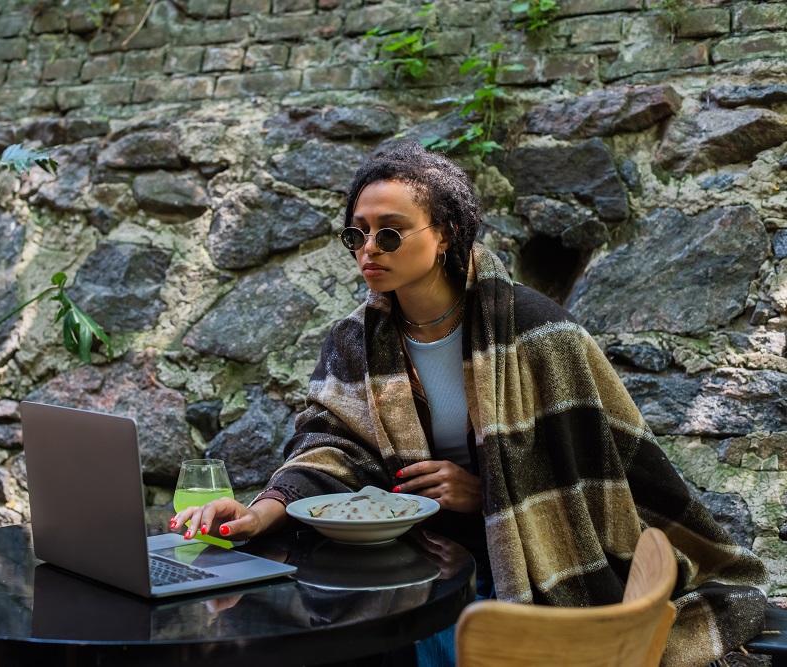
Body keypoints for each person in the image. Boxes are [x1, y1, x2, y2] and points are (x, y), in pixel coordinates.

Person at [171, 141, 769, 667]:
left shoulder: (538, 333)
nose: (368, 249)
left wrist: (484, 490)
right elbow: (331, 445)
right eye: (357, 233)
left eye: (390, 232)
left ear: (446, 235)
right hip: (406, 558)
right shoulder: (355, 339)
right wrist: (265, 510)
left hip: (518, 555)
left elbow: (592, 475)